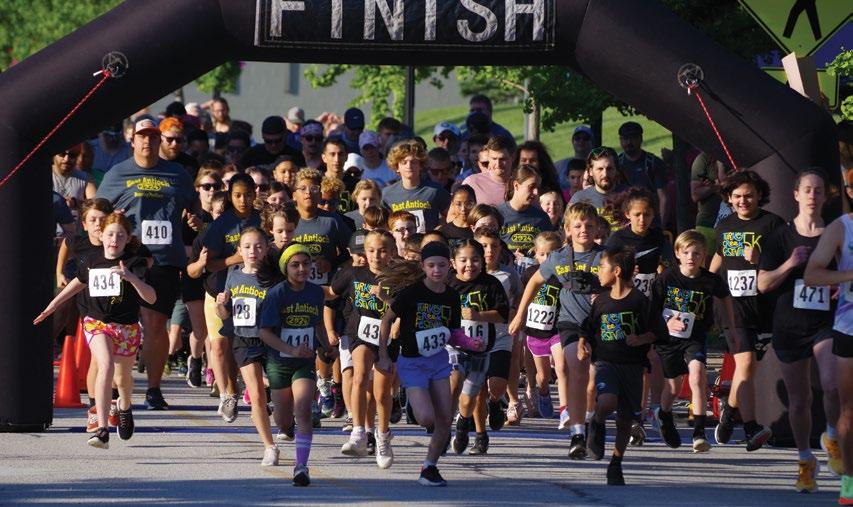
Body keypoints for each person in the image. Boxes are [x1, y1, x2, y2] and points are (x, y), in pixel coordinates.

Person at [96, 118, 195, 410]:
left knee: (155, 324)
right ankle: (112, 385)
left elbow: (193, 206)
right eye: (142, 136)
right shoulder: (117, 173)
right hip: (127, 258)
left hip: (164, 258)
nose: (147, 142)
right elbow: (98, 213)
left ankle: (153, 389)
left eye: (153, 136)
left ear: (159, 140)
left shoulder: (177, 174)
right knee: (116, 323)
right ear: (133, 140)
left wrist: (194, 219)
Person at [34, 213, 156, 449]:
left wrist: (131, 278)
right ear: (101, 236)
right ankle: (102, 428)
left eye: (120, 235)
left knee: (123, 378)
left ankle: (125, 406)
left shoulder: (134, 262)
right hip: (97, 322)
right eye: (110, 234)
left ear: (128, 238)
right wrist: (52, 306)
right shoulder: (91, 259)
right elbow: (78, 282)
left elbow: (151, 297)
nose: (114, 240)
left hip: (126, 326)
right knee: (105, 365)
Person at [758, 170, 840, 492]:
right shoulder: (780, 237)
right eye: (807, 190)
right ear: (796, 194)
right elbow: (763, 284)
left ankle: (831, 436)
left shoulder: (835, 235)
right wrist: (789, 264)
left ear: (825, 196)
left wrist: (840, 286)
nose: (812, 196)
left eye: (818, 190)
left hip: (825, 323)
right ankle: (806, 460)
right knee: (799, 400)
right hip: (789, 326)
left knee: (832, 385)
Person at [510, 202, 604, 459]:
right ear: (568, 230)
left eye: (589, 225)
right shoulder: (558, 257)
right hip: (570, 323)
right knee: (576, 369)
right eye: (578, 225)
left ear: (597, 228)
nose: (583, 230)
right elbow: (534, 281)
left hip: (600, 324)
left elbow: (623, 285)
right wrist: (520, 314)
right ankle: (577, 434)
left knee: (592, 382)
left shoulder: (605, 257)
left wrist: (607, 293)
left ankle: (591, 420)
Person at [709, 170, 785, 451]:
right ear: (729, 199)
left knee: (749, 369)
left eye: (749, 196)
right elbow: (718, 258)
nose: (743, 201)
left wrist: (759, 259)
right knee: (746, 365)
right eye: (737, 196)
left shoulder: (773, 224)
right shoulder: (724, 226)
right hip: (732, 306)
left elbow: (785, 262)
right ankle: (751, 427)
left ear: (759, 195)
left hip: (762, 307)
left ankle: (729, 410)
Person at [578, 245, 665, 485]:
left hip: (633, 366)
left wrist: (642, 338)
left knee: (626, 419)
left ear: (616, 271)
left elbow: (659, 331)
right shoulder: (601, 301)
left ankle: (616, 462)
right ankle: (596, 422)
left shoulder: (640, 301)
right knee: (607, 401)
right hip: (606, 362)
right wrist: (582, 343)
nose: (598, 272)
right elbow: (588, 327)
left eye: (601, 267)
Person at [376, 242, 460, 487]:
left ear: (449, 266)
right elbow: (386, 320)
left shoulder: (452, 296)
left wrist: (470, 343)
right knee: (426, 419)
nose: (437, 270)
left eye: (442, 265)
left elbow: (453, 332)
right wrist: (383, 354)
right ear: (423, 266)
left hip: (439, 360)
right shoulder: (411, 293)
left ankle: (429, 467)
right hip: (413, 362)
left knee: (445, 419)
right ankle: (412, 402)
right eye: (431, 265)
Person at [651, 230, 736, 454]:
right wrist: (667, 322)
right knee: (673, 387)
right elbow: (651, 311)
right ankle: (664, 414)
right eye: (687, 252)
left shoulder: (709, 280)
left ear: (704, 256)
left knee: (697, 376)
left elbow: (725, 296)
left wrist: (730, 325)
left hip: (695, 338)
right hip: (669, 340)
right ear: (677, 253)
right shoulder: (667, 278)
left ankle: (699, 434)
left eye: (697, 253)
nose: (691, 257)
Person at [259, 244, 332, 486]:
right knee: (282, 420)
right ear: (285, 268)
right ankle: (287, 426)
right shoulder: (276, 294)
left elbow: (318, 322)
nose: (302, 269)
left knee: (303, 409)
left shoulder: (316, 292)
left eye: (306, 264)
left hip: (304, 362)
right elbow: (264, 332)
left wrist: (326, 345)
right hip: (279, 363)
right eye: (295, 265)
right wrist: (290, 349)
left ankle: (301, 466)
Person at [605, 187, 674, 443]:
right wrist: (622, 273)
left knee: (652, 359)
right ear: (627, 214)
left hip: (650, 306)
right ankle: (633, 414)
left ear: (654, 214)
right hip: (624, 306)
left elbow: (669, 265)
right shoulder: (617, 239)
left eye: (647, 214)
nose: (642, 220)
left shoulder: (658, 237)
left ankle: (653, 410)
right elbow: (605, 271)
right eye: (637, 215)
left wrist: (662, 270)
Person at [328, 230, 399, 468]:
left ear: (392, 252)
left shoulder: (398, 278)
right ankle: (358, 431)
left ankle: (383, 436)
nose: (376, 256)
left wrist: (385, 298)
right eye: (371, 251)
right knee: (359, 376)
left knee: (382, 393)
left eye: (382, 251)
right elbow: (331, 293)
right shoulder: (353, 274)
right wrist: (299, 287)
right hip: (360, 334)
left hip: (387, 339)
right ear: (364, 253)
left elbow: (405, 308)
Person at [804, 192, 853, 504]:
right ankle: (849, 480)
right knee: (850, 408)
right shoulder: (841, 227)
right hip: (850, 326)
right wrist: (849, 275)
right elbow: (812, 274)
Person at [214, 227, 278, 466]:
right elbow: (224, 314)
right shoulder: (233, 274)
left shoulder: (274, 276)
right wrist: (220, 305)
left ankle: (284, 420)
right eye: (248, 246)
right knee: (257, 394)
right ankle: (269, 447)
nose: (253, 251)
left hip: (271, 338)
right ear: (239, 250)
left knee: (281, 393)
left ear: (266, 249)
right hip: (243, 340)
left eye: (259, 246)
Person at [203, 173, 262, 421]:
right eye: (237, 195)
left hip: (257, 290)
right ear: (230, 195)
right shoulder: (221, 224)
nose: (243, 200)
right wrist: (234, 259)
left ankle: (259, 392)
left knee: (258, 341)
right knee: (226, 343)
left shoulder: (262, 218)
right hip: (226, 291)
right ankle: (229, 393)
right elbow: (210, 264)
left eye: (247, 195)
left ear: (255, 194)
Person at [448, 239, 508, 455]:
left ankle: (463, 423)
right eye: (463, 260)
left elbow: (503, 314)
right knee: (455, 381)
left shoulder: (490, 284)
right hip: (453, 346)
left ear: (482, 262)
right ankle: (447, 429)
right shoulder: (447, 284)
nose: (469, 265)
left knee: (471, 396)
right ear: (453, 263)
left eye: (474, 260)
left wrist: (479, 315)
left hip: (481, 349)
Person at [475, 228, 522, 428]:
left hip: (500, 336)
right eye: (484, 246)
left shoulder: (508, 274)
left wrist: (515, 310)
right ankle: (478, 430)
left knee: (497, 384)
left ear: (500, 248)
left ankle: (495, 402)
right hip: (474, 337)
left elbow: (520, 294)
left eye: (494, 246)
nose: (489, 250)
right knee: (478, 388)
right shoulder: (467, 274)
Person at [521, 232, 568, 428]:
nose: (547, 259)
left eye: (551, 254)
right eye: (542, 254)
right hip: (536, 332)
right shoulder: (529, 274)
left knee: (562, 367)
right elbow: (523, 298)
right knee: (543, 377)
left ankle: (565, 410)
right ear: (535, 253)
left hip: (557, 329)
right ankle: (543, 392)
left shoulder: (563, 275)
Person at [382, 140, 450, 233]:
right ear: (397, 167)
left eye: (413, 162)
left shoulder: (434, 190)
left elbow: (452, 215)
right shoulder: (387, 194)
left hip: (428, 241)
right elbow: (382, 224)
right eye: (404, 162)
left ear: (420, 165)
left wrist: (439, 230)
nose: (409, 166)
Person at [496, 165, 554, 271]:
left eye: (538, 187)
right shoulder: (498, 214)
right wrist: (508, 255)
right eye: (531, 187)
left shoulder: (541, 218)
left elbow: (552, 249)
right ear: (516, 185)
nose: (536, 192)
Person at [617, 122, 668, 220]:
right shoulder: (616, 164)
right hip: (624, 218)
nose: (629, 142)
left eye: (632, 138)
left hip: (648, 217)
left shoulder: (653, 163)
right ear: (620, 140)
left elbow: (663, 198)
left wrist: (661, 224)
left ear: (640, 139)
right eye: (625, 139)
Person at [570, 147, 625, 231]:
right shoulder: (579, 199)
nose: (605, 174)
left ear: (616, 170)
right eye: (600, 169)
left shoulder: (629, 196)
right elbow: (567, 231)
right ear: (590, 171)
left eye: (609, 169)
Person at [690, 152, 728, 258]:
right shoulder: (703, 159)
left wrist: (719, 181)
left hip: (732, 225)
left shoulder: (734, 156)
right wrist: (716, 186)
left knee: (732, 262)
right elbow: (695, 195)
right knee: (705, 264)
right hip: (707, 224)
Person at [461, 136, 513, 206]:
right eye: (494, 159)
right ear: (489, 158)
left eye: (502, 159)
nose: (498, 164)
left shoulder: (521, 183)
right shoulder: (472, 183)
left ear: (513, 157)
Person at [52, 145, 96, 213]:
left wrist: (75, 202)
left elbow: (95, 205)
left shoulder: (86, 178)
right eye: (62, 154)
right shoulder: (42, 175)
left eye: (72, 155)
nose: (66, 159)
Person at [555, 125, 595, 192]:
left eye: (585, 138)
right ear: (572, 141)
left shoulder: (597, 165)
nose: (581, 141)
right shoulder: (559, 166)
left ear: (592, 142)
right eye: (577, 138)